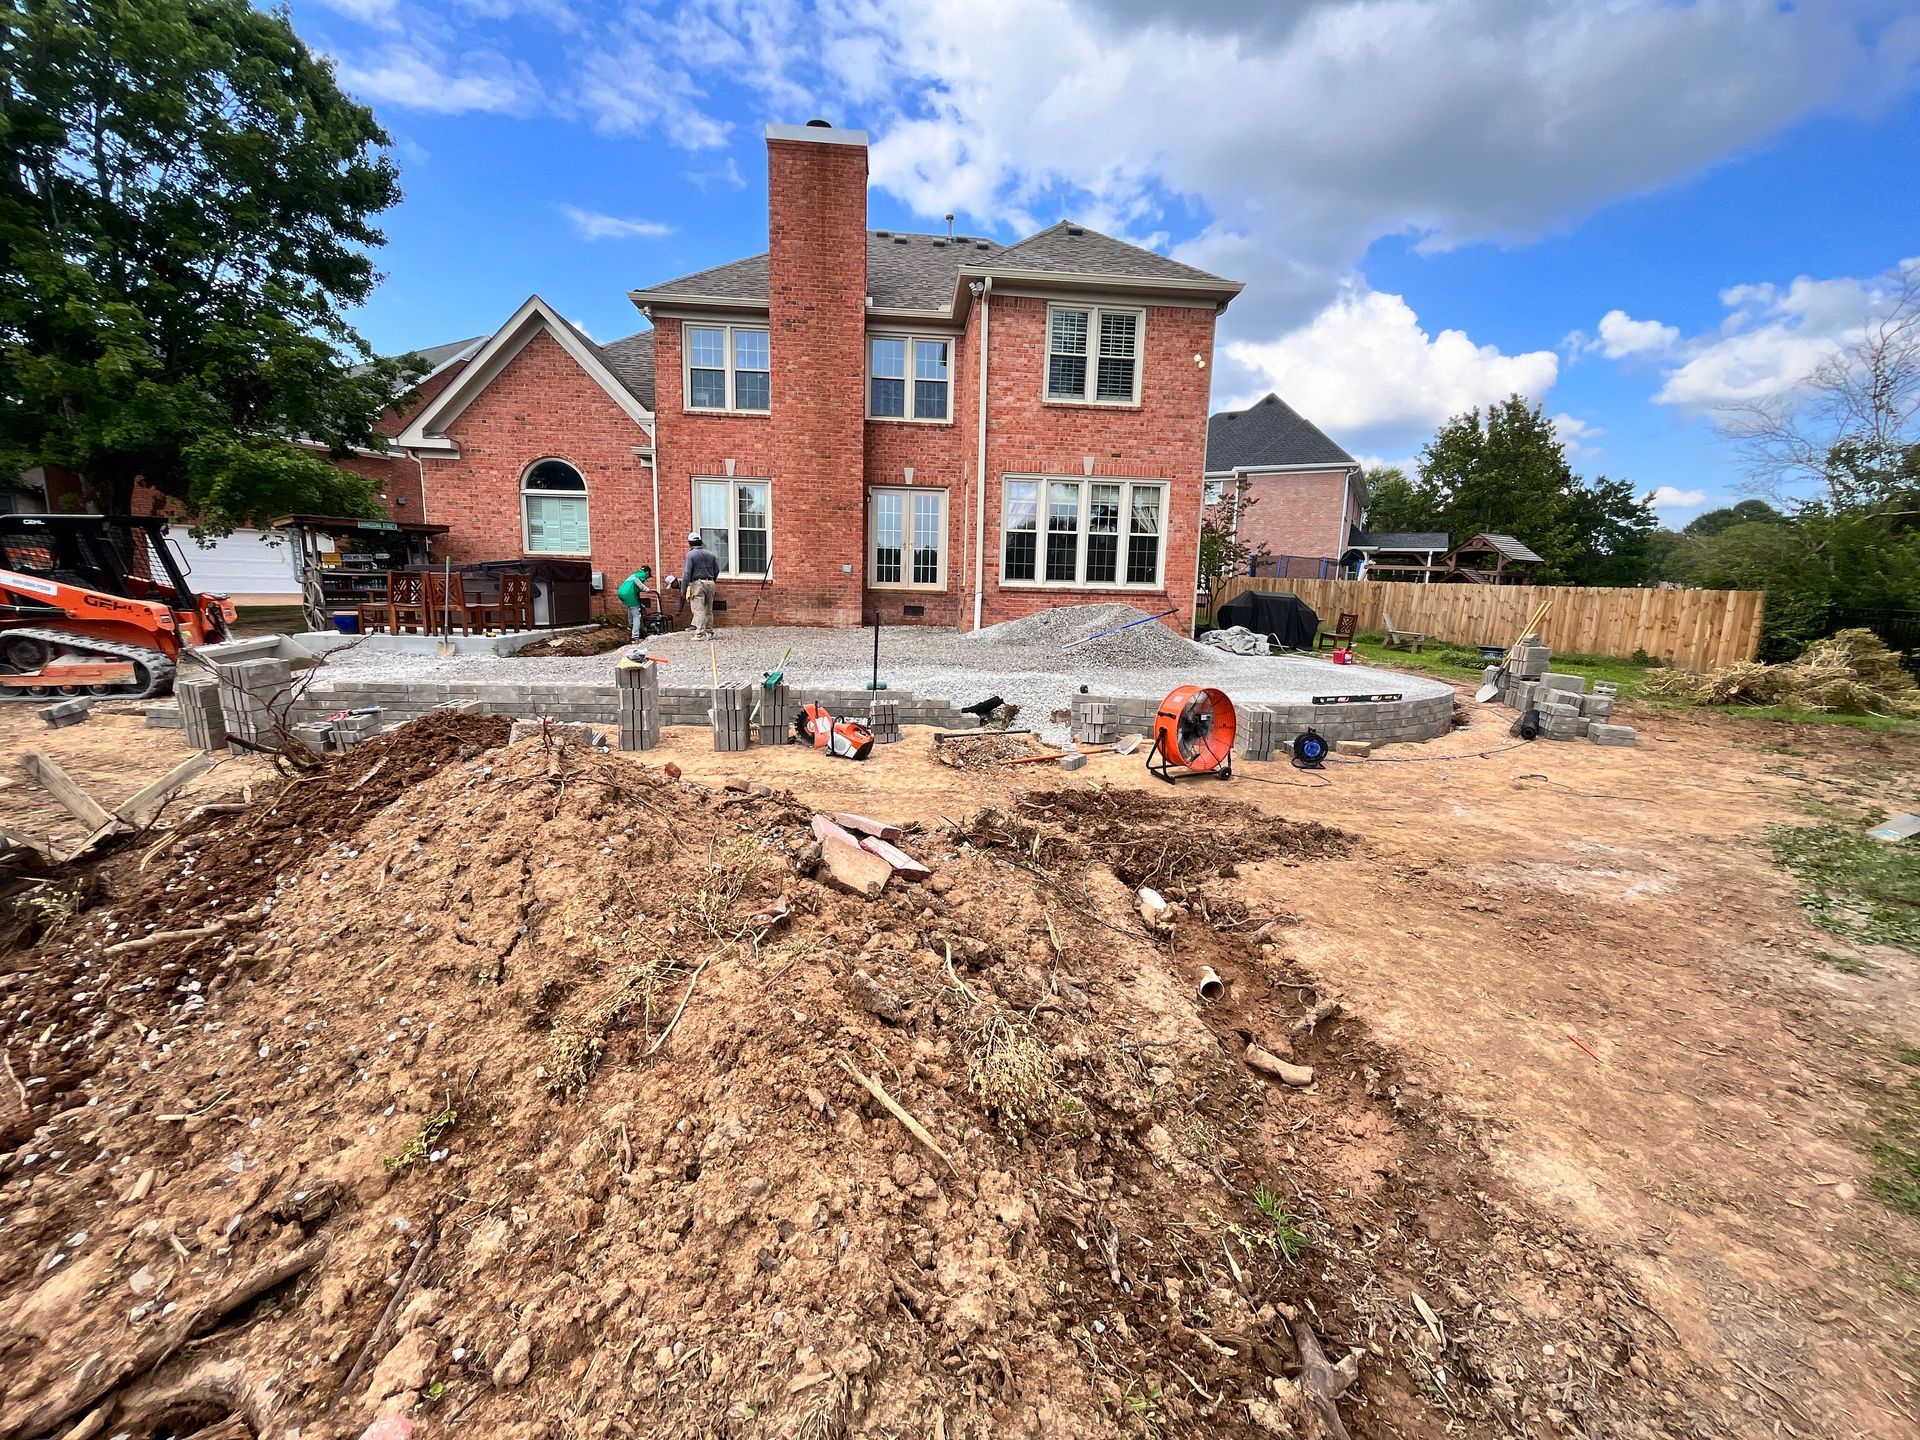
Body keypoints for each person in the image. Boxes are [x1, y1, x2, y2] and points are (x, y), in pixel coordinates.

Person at [679, 531, 721, 640]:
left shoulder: (690, 555)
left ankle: (700, 633)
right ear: (700, 541)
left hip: (697, 583)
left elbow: (687, 573)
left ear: (690, 543)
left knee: (698, 609)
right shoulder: (710, 554)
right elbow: (717, 570)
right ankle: (709, 632)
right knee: (708, 609)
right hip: (711, 582)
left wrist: (683, 589)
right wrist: (712, 580)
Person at [615, 565, 656, 640]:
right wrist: (645, 588)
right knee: (636, 616)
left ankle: (631, 627)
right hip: (629, 594)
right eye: (648, 576)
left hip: (621, 592)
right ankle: (635, 636)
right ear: (647, 572)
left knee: (631, 610)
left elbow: (634, 583)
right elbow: (635, 579)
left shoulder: (633, 574)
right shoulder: (641, 574)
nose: (646, 578)